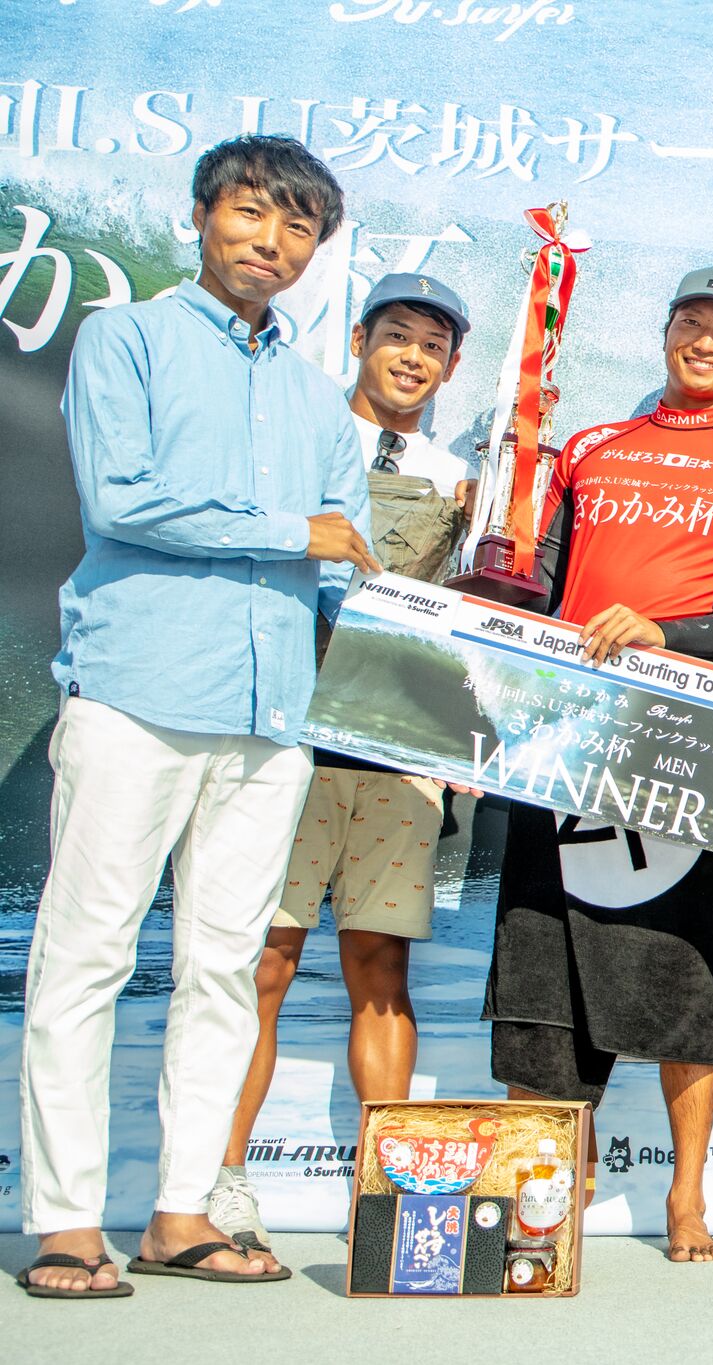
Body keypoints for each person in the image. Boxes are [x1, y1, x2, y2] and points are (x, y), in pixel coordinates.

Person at [16, 134, 373, 1298]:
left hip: (273, 720)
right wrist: (290, 532)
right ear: (202, 216)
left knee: (224, 971)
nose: (271, 241)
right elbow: (123, 499)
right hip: (137, 696)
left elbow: (346, 560)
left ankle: (181, 1214)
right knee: (86, 959)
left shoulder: (319, 398)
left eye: (298, 226)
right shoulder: (126, 339)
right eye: (250, 213)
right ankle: (66, 1222)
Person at [482, 265, 713, 1264]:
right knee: (540, 964)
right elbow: (535, 588)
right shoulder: (589, 446)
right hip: (561, 733)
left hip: (683, 743)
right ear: (666, 332)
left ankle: (685, 1200)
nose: (706, 343)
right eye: (691, 323)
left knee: (680, 973)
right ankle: (545, 1191)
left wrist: (665, 634)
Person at [207, 274, 474, 1258]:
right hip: (285, 736)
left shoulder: (463, 478)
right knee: (262, 963)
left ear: (451, 367)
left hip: (397, 750)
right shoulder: (297, 437)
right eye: (397, 335)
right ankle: (217, 1183)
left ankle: (390, 1200)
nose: (412, 357)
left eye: (433, 346)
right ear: (359, 339)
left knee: (381, 968)